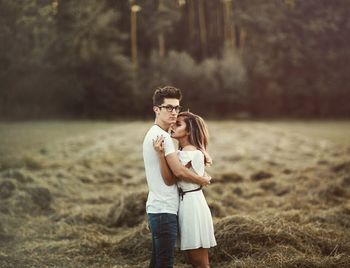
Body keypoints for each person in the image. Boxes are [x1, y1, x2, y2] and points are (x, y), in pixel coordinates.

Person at [142, 86, 211, 268]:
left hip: (160, 207)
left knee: (158, 262)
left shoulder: (157, 134)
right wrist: (202, 179)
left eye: (177, 108)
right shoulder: (162, 138)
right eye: (169, 108)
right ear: (157, 109)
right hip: (164, 209)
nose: (174, 112)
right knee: (164, 263)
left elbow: (179, 170)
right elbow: (176, 175)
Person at [153, 111, 217, 268]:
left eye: (179, 124)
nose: (173, 125)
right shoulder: (185, 152)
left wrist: (162, 156)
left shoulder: (189, 152)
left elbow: (172, 177)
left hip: (192, 205)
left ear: (189, 131)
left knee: (199, 261)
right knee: (197, 260)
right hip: (189, 202)